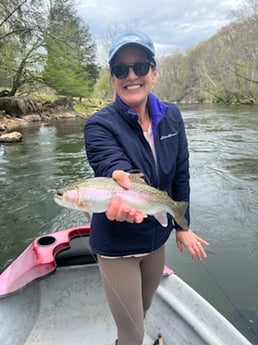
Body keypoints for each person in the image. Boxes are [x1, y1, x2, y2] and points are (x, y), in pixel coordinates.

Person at [84, 29, 209, 345]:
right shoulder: (98, 125)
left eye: (140, 67)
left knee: (145, 305)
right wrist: (123, 182)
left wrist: (182, 225)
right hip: (117, 248)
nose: (131, 76)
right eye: (121, 70)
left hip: (156, 241)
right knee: (132, 333)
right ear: (112, 78)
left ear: (154, 73)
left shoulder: (173, 117)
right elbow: (113, 166)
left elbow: (181, 173)